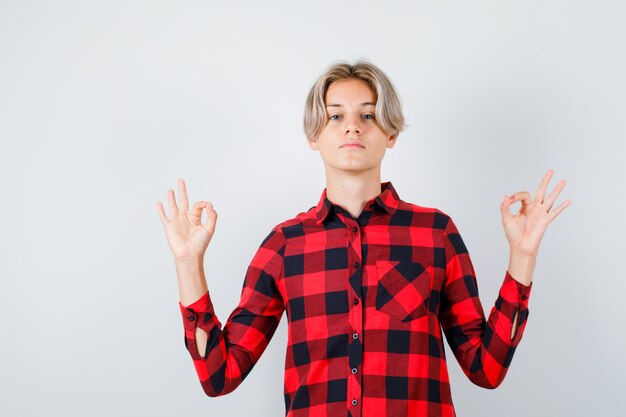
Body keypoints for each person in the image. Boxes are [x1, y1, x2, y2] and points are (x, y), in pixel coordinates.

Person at [156, 60, 571, 417]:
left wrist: (522, 255)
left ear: (390, 134)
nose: (352, 125)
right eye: (335, 116)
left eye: (368, 115)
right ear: (313, 136)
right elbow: (219, 376)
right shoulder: (284, 246)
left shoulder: (435, 234)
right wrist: (188, 264)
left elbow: (486, 370)